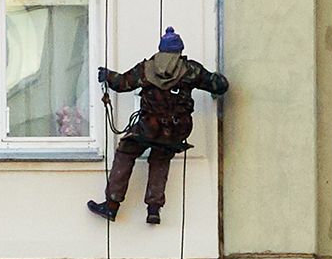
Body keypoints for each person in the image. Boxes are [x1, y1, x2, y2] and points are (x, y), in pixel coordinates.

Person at [87, 27, 229, 224]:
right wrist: (220, 79)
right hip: (177, 130)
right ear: (180, 50)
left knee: (126, 152)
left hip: (148, 127)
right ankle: (153, 209)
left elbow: (122, 83)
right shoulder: (191, 70)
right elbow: (219, 86)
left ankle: (112, 205)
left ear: (161, 49)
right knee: (161, 158)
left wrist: (108, 76)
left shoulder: (147, 68)